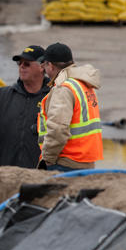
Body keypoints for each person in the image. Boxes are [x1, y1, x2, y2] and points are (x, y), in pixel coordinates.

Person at [36, 42, 103, 171]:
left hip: (66, 162)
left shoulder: (63, 89)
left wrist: (48, 159)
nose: (44, 70)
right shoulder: (84, 84)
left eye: (44, 65)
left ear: (50, 65)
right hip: (86, 160)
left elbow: (58, 129)